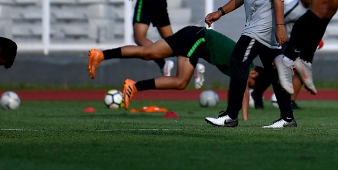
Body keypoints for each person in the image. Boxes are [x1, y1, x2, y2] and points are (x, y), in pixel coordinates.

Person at [203, 0, 295, 128]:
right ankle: (287, 118)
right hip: (260, 26)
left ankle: (231, 116)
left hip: (262, 27)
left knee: (238, 60)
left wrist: (280, 26)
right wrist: (220, 12)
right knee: (273, 71)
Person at [88, 26, 255, 120]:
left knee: (148, 52)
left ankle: (101, 54)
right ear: (255, 74)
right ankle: (136, 86)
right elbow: (244, 91)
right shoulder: (248, 65)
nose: (249, 82)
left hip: (192, 33)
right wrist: (244, 119)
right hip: (199, 38)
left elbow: (238, 89)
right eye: (254, 82)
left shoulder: (237, 65)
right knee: (181, 82)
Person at [250, 0, 320, 109]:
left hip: (296, 44)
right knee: (276, 72)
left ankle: (291, 101)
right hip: (281, 43)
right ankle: (257, 92)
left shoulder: (315, 6)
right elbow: (276, 22)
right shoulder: (292, 9)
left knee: (300, 68)